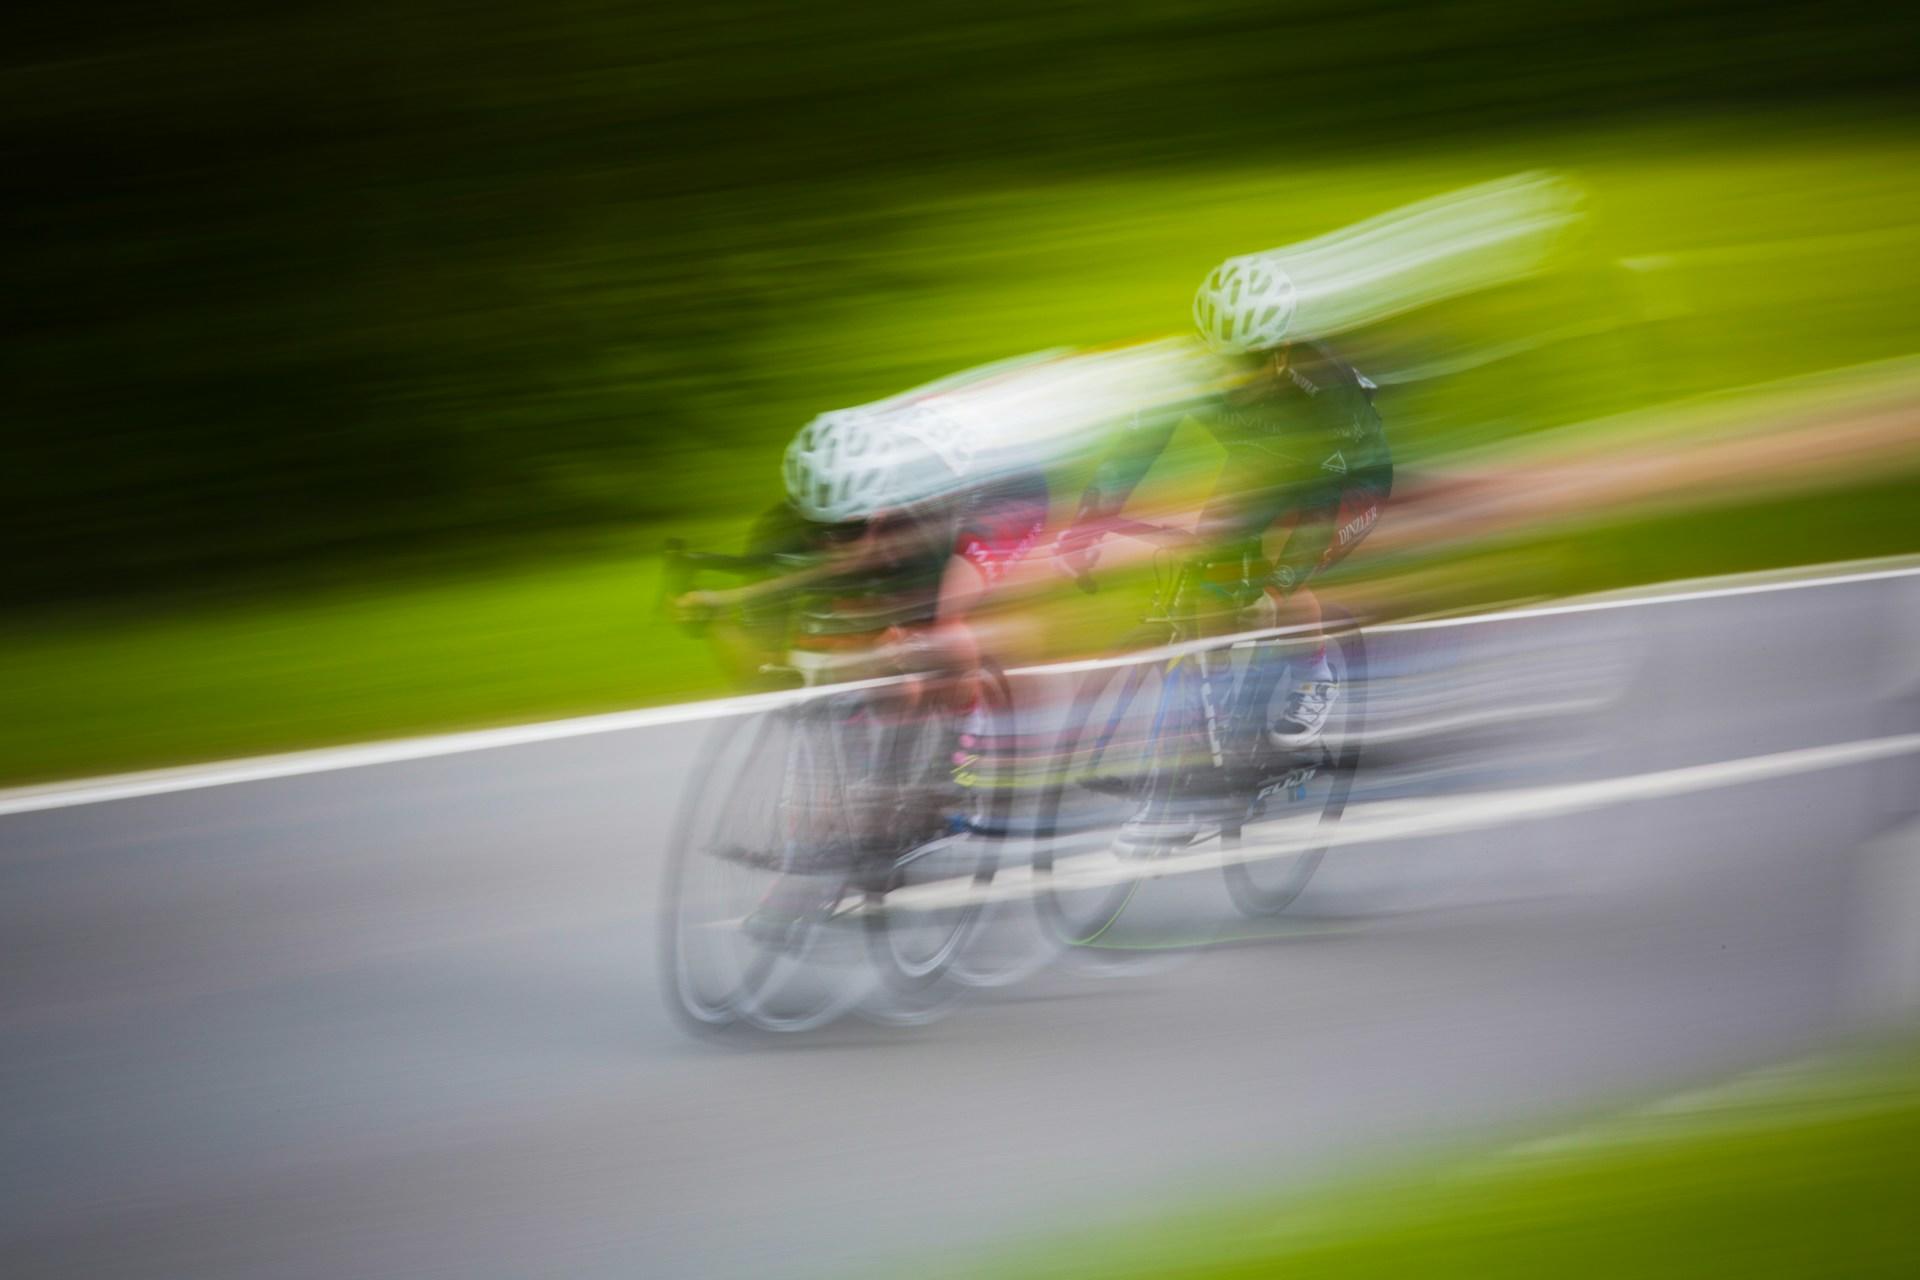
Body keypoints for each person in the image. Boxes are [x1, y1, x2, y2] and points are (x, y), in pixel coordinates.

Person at [1060, 254, 1392, 748]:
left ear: (1281, 350)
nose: (1233, 378)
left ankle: (1314, 673)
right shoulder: (1189, 373)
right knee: (1209, 565)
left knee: (1285, 586)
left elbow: (1322, 502)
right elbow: (1137, 446)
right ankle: (1212, 709)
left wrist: (1275, 588)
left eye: (1248, 363)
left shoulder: (1321, 382)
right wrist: (1086, 521)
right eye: (1223, 362)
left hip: (1346, 477)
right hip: (1261, 464)